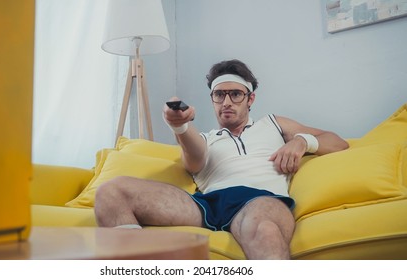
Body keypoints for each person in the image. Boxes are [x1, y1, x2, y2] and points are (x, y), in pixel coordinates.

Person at [94, 59, 349, 259]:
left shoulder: (273, 124)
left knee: (265, 227)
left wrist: (302, 141)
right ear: (212, 99)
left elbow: (338, 143)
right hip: (205, 206)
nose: (226, 102)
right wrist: (180, 127)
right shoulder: (205, 138)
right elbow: (194, 156)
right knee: (111, 192)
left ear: (250, 99)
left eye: (235, 94)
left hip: (258, 201)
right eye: (219, 94)